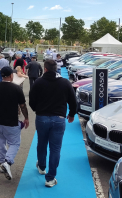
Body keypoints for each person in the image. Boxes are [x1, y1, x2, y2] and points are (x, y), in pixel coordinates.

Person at [29, 59, 77, 188]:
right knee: (55, 149)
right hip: (59, 119)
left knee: (42, 143)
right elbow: (73, 101)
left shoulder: (38, 82)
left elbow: (31, 100)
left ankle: (42, 166)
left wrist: (37, 110)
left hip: (42, 117)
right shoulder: (65, 83)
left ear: (45, 69)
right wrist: (72, 114)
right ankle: (50, 178)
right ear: (56, 69)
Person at [0, 66, 29, 180]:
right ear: (11, 75)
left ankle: (2, 163)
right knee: (14, 143)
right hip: (12, 121)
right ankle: (8, 161)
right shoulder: (16, 88)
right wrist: (26, 118)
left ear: (1, 75)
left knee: (1, 142)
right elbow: (23, 106)